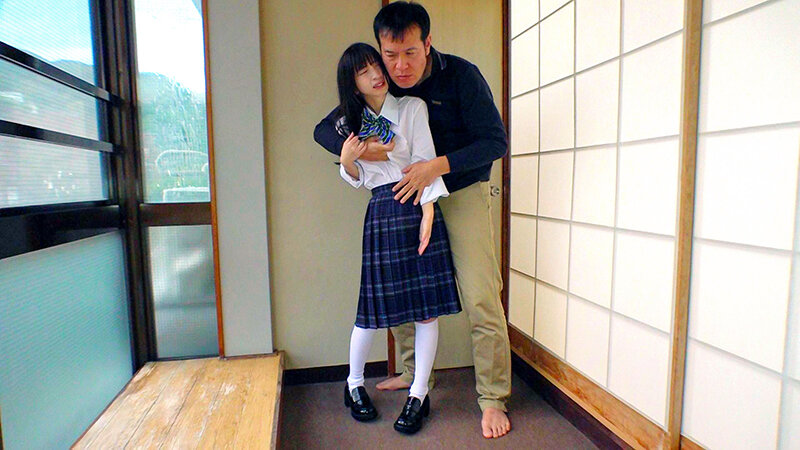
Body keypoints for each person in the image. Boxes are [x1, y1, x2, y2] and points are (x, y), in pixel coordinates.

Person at [314, 2, 512, 439]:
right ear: (378, 52)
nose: (399, 65)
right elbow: (325, 130)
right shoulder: (378, 91)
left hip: (460, 191)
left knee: (481, 294)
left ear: (427, 44)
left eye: (409, 53)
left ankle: (493, 397)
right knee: (403, 287)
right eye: (389, 55)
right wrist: (363, 152)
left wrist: (434, 168)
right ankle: (411, 372)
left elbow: (495, 142)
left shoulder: (461, 76)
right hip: (405, 196)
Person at [332, 42, 462, 435]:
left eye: (376, 65)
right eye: (364, 71)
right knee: (370, 310)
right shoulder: (350, 125)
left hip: (417, 202)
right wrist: (348, 160)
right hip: (383, 210)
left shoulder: (411, 108)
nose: (376, 74)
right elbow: (358, 179)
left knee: (426, 310)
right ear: (353, 83)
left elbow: (425, 159)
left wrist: (428, 211)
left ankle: (419, 394)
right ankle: (354, 384)